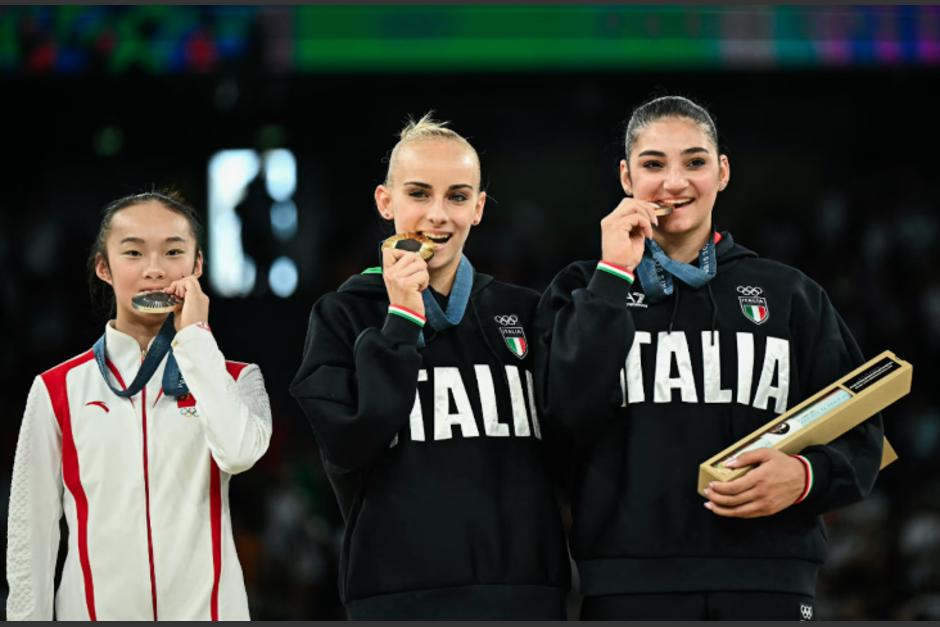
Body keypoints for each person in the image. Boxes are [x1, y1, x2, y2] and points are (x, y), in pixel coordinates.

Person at [536, 95, 884, 620]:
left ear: (721, 173)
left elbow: (863, 432)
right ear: (626, 177)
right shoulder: (581, 290)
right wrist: (612, 275)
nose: (675, 182)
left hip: (770, 582)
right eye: (654, 164)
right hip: (630, 587)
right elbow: (561, 415)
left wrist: (806, 475)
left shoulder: (790, 294)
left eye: (695, 162)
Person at [290, 115, 569, 619]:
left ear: (478, 208)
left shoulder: (527, 310)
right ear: (385, 201)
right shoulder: (342, 316)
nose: (437, 215)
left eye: (458, 197)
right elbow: (349, 445)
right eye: (419, 194)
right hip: (396, 598)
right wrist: (399, 320)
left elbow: (575, 439)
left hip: (525, 593)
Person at [6, 191, 272, 620]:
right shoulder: (57, 390)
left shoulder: (237, 379)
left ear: (197, 265)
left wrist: (196, 339)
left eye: (173, 251)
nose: (154, 270)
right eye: (133, 253)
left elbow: (239, 453)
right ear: (103, 267)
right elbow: (29, 534)